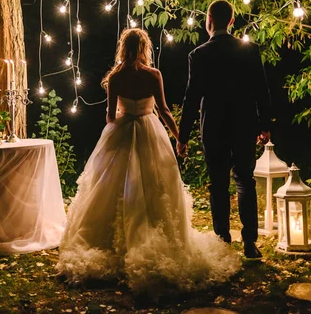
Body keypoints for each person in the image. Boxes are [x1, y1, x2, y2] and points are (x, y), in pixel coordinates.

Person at [56, 28, 240, 295]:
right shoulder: (154, 75)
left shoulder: (116, 78)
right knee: (155, 185)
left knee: (111, 186)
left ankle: (110, 243)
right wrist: (180, 137)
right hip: (149, 130)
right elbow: (164, 110)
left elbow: (109, 115)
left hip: (121, 131)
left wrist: (121, 119)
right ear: (145, 48)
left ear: (123, 47)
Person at [177, 0, 272, 259]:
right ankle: (250, 242)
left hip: (214, 128)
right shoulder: (249, 50)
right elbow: (261, 91)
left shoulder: (198, 55)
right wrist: (265, 126)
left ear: (209, 19)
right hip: (244, 125)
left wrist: (182, 137)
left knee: (218, 185)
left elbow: (191, 99)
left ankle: (222, 240)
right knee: (245, 182)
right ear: (232, 20)